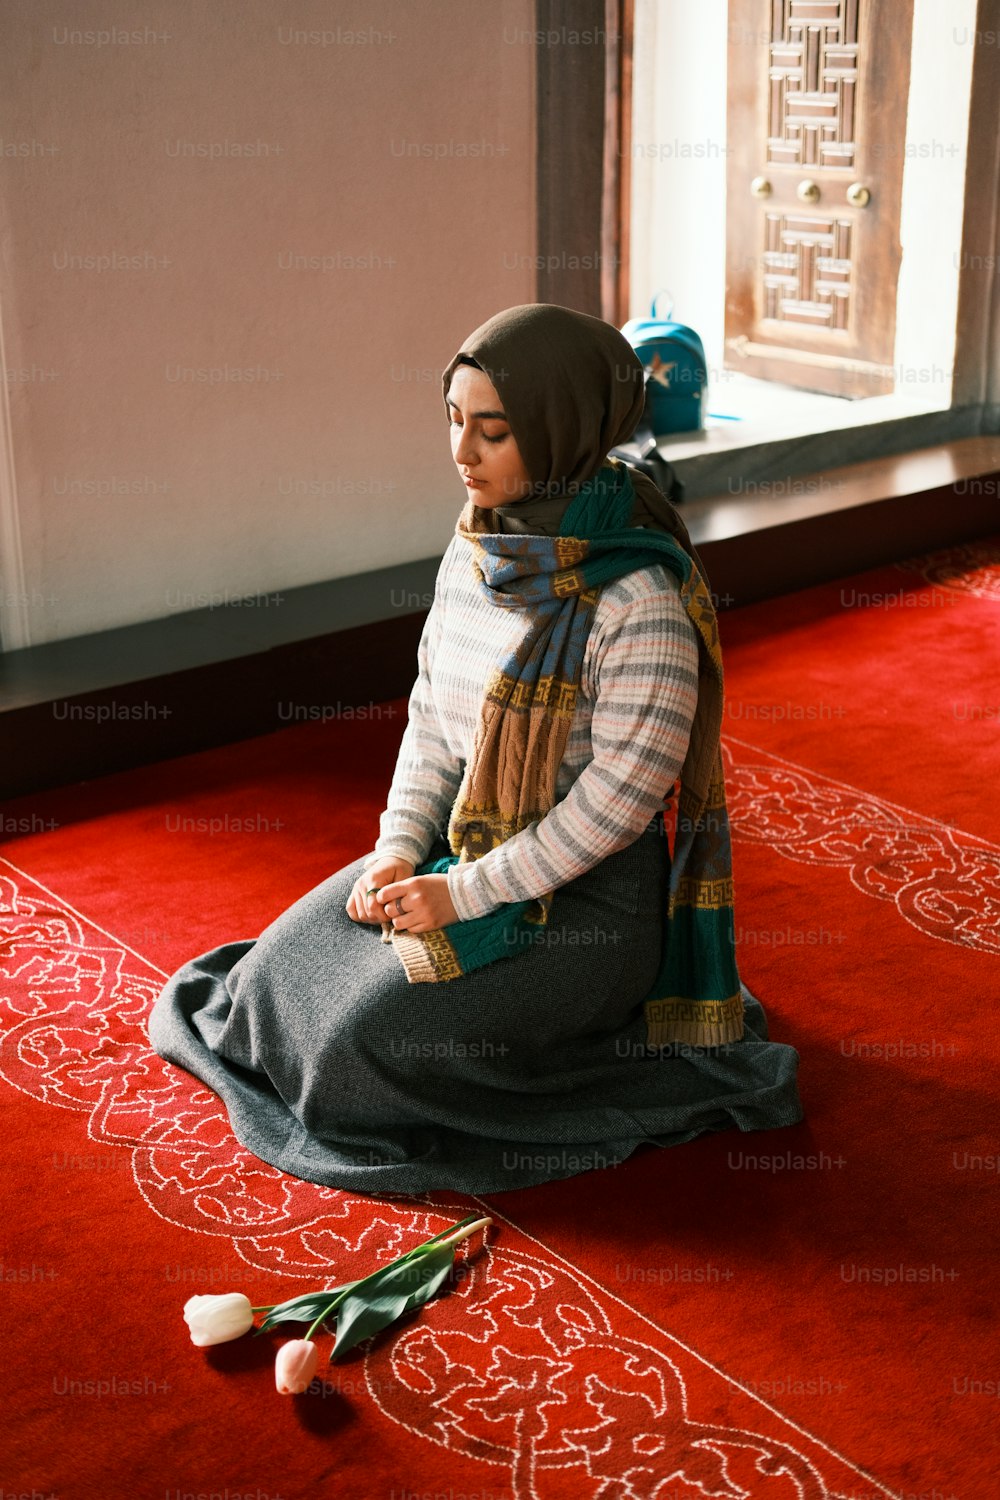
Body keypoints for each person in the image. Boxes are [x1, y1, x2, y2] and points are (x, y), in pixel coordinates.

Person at [148, 303, 802, 1196]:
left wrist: (461, 895)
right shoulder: (479, 547)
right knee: (266, 985)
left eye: (492, 432)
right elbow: (431, 717)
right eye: (454, 420)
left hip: (587, 907)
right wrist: (398, 849)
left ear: (563, 429)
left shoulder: (638, 597)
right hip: (465, 842)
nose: (463, 453)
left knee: (352, 1056)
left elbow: (614, 805)